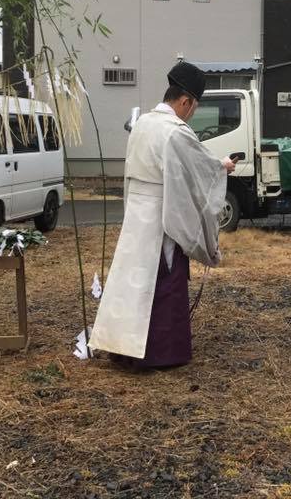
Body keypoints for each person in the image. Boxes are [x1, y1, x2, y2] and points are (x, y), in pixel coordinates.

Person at [90, 62, 236, 368]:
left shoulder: (142, 123)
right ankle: (159, 353)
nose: (191, 115)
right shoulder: (174, 132)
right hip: (160, 213)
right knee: (161, 281)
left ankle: (122, 348)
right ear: (185, 101)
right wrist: (220, 167)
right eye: (193, 108)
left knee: (130, 283)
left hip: (137, 214)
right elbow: (197, 170)